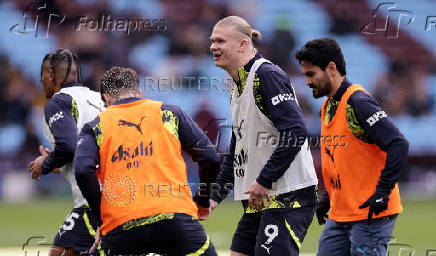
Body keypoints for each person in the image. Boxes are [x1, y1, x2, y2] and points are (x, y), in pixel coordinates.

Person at [74, 66, 220, 256]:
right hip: (176, 220)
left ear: (106, 99)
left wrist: (101, 215)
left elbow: (83, 170)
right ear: (139, 93)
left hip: (121, 225)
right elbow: (210, 158)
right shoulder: (169, 113)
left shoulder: (95, 127)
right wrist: (201, 200)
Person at [209, 16, 318, 256]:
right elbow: (238, 146)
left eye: (220, 41)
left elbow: (296, 131)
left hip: (287, 196)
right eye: (212, 41)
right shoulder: (238, 85)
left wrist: (265, 179)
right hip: (260, 198)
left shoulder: (266, 75)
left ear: (242, 44)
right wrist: (216, 195)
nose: (213, 46)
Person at [295, 38, 409, 256]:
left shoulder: (358, 102)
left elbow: (398, 144)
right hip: (341, 213)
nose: (308, 82)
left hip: (370, 214)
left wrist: (382, 192)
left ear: (331, 68)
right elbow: (339, 158)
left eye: (311, 74)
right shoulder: (328, 106)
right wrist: (328, 197)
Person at [28, 49, 106, 256]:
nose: (41, 80)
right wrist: (56, 163)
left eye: (43, 74)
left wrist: (44, 164)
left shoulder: (58, 102)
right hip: (114, 192)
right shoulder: (100, 99)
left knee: (60, 252)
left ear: (52, 74)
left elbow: (68, 146)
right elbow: (87, 148)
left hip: (92, 198)